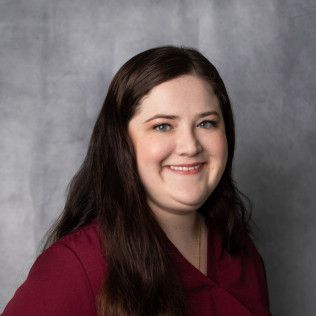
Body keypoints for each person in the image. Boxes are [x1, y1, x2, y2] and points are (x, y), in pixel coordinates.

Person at [2, 46, 271, 315]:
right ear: (122, 143)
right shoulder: (75, 266)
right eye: (163, 126)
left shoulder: (239, 250)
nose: (190, 146)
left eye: (206, 123)